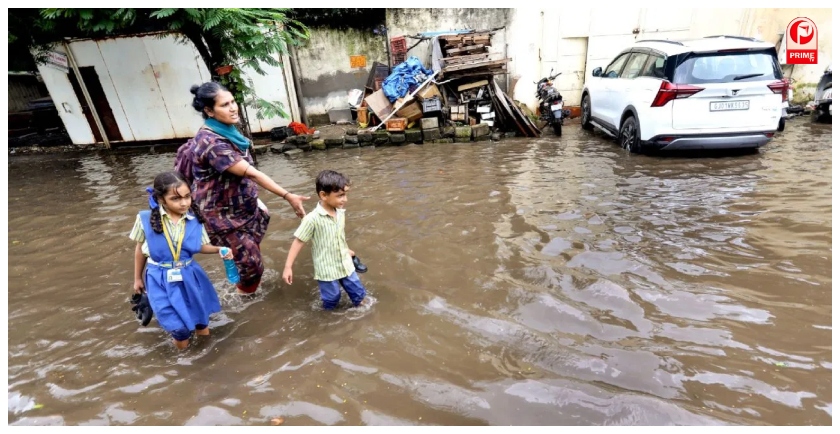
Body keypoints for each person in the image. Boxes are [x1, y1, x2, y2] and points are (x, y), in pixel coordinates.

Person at [177, 82, 310, 295]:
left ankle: (239, 268)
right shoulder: (211, 142)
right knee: (252, 267)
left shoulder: (229, 131)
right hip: (222, 217)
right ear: (209, 111)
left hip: (242, 208)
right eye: (224, 105)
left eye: (232, 102)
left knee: (257, 232)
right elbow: (252, 173)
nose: (232, 108)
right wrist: (288, 195)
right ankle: (244, 299)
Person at [129, 171, 232, 350]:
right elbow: (140, 250)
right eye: (176, 199)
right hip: (158, 277)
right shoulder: (144, 219)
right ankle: (183, 360)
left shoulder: (195, 220)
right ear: (161, 199)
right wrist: (137, 278)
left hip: (189, 274)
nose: (184, 203)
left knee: (201, 322)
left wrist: (219, 249)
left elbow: (199, 246)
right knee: (179, 329)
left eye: (187, 197)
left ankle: (204, 358)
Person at [283, 170, 370, 310]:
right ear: (323, 195)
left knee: (359, 293)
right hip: (326, 268)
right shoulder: (312, 219)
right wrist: (288, 267)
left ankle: (365, 313)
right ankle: (327, 319)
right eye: (340, 195)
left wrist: (346, 249)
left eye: (345, 194)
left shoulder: (340, 212)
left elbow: (337, 235)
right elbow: (299, 241)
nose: (345, 199)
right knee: (332, 299)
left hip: (344, 263)